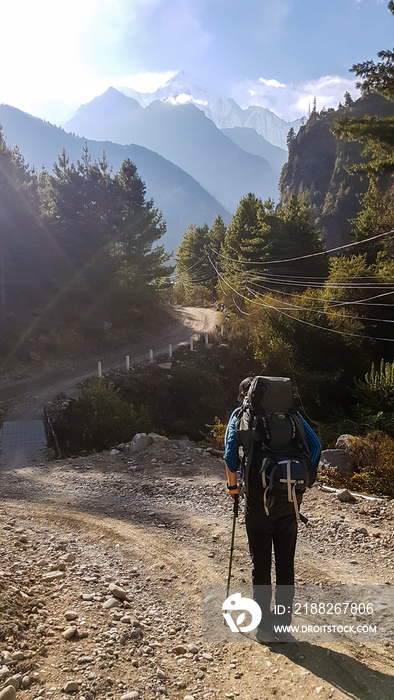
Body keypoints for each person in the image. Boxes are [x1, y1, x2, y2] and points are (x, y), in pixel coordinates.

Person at [223, 376, 321, 643]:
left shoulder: (241, 416)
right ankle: (282, 627)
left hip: (258, 504)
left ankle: (265, 628)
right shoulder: (292, 416)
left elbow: (230, 456)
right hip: (290, 503)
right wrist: (303, 480)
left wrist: (235, 487)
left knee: (261, 565)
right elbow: (315, 447)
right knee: (286, 564)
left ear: (248, 395)